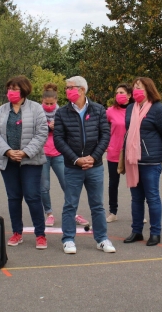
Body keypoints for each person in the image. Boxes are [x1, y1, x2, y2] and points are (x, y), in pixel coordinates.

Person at [53, 76, 115, 254]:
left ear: (81, 89)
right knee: (70, 204)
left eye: (70, 87)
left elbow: (105, 135)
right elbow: (59, 139)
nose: (67, 91)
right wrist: (76, 159)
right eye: (66, 88)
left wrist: (93, 158)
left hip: (94, 167)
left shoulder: (98, 109)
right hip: (73, 167)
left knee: (97, 204)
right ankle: (68, 239)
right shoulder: (62, 112)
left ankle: (102, 238)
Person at [0, 76, 49, 249]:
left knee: (32, 196)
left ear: (23, 90)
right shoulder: (1, 110)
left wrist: (25, 152)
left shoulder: (36, 109)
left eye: (15, 89)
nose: (11, 92)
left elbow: (42, 133)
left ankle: (40, 234)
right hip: (8, 161)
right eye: (9, 88)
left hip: (30, 161)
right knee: (14, 198)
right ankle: (17, 232)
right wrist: (7, 151)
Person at [122, 78, 162, 246]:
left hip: (150, 162)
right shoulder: (131, 108)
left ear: (149, 90)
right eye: (135, 88)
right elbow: (128, 130)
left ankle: (155, 233)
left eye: (140, 88)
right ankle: (136, 231)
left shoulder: (158, 109)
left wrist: (158, 152)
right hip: (133, 161)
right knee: (136, 199)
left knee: (152, 197)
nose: (136, 91)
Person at [40, 83, 68, 227]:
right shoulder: (37, 112)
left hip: (58, 153)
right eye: (46, 103)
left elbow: (68, 130)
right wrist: (46, 126)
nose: (49, 105)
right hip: (42, 154)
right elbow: (33, 129)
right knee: (44, 187)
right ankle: (49, 213)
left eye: (52, 103)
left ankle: (72, 212)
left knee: (66, 183)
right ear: (42, 101)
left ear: (56, 101)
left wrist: (58, 126)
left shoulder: (62, 112)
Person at [105, 83, 133, 222]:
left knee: (135, 183)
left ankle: (137, 211)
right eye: (117, 92)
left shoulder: (136, 109)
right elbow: (103, 129)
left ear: (129, 95)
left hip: (132, 152)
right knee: (113, 183)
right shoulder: (110, 111)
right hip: (114, 152)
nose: (118, 95)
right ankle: (113, 212)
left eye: (122, 92)